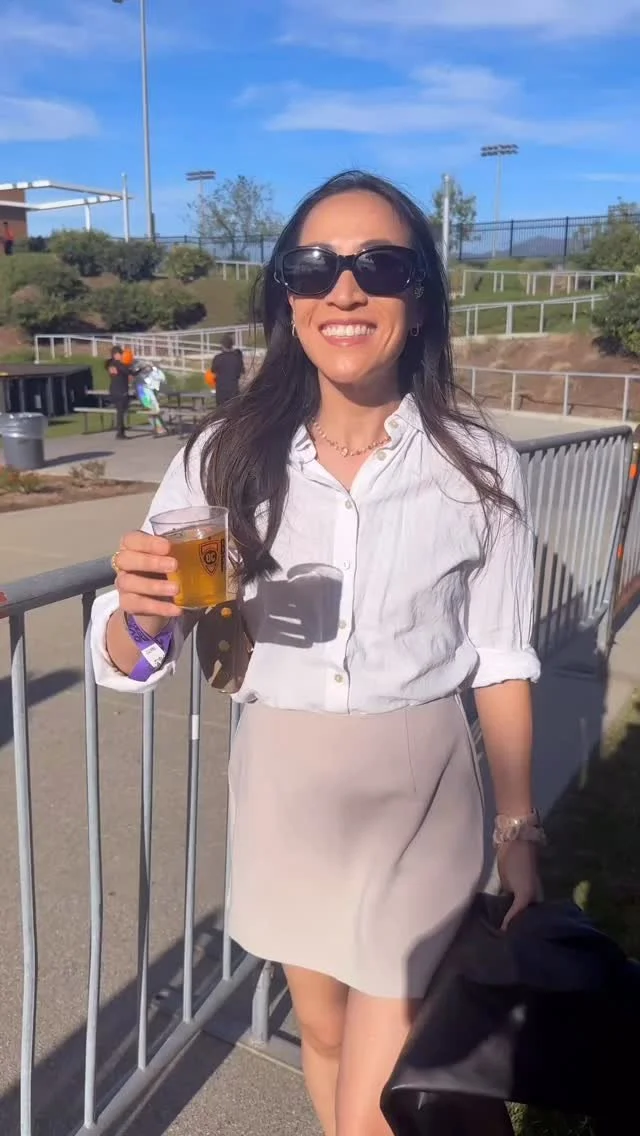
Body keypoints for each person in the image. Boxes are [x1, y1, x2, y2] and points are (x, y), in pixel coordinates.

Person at [91, 170, 542, 1136]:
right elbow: (136, 653)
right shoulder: (224, 456)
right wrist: (139, 616)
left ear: (421, 299)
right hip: (284, 785)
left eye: (380, 266)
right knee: (326, 1034)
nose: (344, 289)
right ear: (287, 299)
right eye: (313, 267)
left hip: (419, 789)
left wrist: (518, 830)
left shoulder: (479, 464)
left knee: (382, 1083)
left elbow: (502, 657)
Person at [131, 359, 168, 437]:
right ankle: (159, 429)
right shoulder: (139, 375)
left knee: (153, 410)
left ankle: (160, 428)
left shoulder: (148, 373)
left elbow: (161, 379)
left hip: (146, 393)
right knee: (151, 410)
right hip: (143, 393)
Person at [210, 331, 244, 407]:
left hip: (221, 391)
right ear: (231, 345)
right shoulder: (237, 358)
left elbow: (213, 371)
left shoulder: (218, 358)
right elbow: (240, 373)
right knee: (234, 411)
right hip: (234, 390)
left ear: (222, 345)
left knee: (221, 412)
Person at [105, 345, 131, 440]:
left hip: (114, 390)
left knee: (120, 412)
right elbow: (130, 372)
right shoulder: (119, 364)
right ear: (115, 354)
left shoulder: (110, 364)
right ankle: (120, 433)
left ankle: (120, 431)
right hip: (121, 390)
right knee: (120, 412)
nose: (121, 356)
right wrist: (141, 369)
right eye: (120, 354)